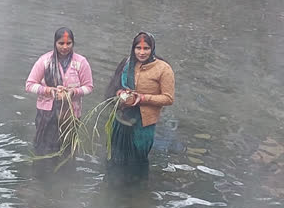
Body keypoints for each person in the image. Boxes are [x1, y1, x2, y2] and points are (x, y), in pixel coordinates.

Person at [104, 32, 175, 168]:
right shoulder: (126, 64)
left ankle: (136, 186)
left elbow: (168, 98)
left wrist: (142, 98)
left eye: (146, 48)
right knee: (114, 156)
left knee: (137, 160)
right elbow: (114, 86)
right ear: (133, 48)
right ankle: (112, 183)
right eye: (138, 48)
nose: (142, 53)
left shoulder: (163, 69)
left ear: (152, 48)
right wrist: (120, 93)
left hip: (143, 124)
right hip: (120, 119)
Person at [25, 27, 93, 156]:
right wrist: (49, 91)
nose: (65, 47)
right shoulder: (45, 61)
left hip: (71, 115)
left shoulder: (80, 62)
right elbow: (29, 85)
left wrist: (73, 92)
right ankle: (41, 174)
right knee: (43, 150)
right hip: (46, 113)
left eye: (69, 43)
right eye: (61, 43)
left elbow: (88, 87)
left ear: (73, 43)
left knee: (66, 150)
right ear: (55, 43)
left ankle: (66, 173)